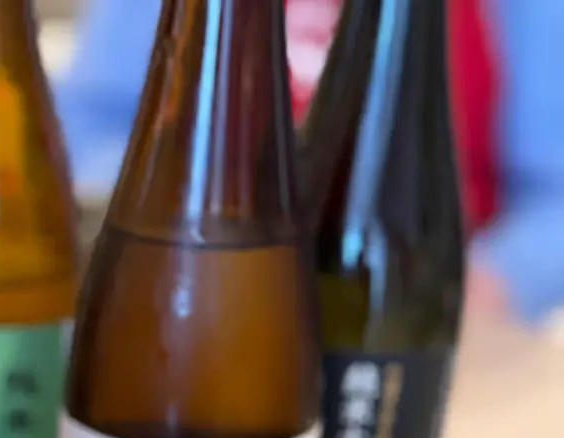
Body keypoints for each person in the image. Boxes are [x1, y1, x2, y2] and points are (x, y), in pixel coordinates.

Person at [54, 0, 564, 326]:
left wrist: (485, 283)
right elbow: (86, 122)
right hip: (191, 290)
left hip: (407, 323)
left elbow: (554, 198)